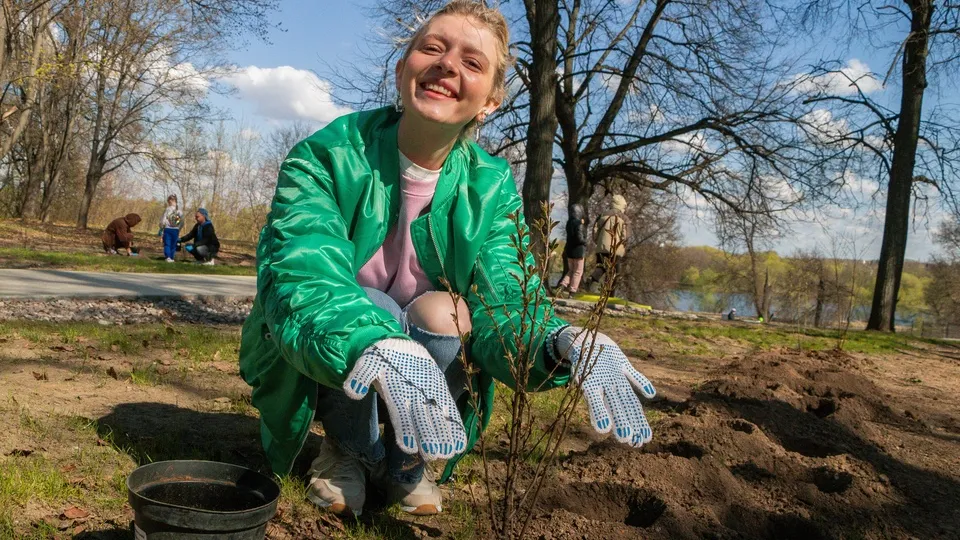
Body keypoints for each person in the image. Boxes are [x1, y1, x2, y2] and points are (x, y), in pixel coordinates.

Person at [238, 0, 657, 518]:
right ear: (402, 69)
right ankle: (345, 450)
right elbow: (302, 277)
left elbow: (504, 295)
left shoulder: (493, 186)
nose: (447, 65)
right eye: (432, 48)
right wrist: (377, 338)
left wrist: (557, 341)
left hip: (427, 346)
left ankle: (407, 461)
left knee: (448, 311)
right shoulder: (326, 156)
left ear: (491, 101)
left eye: (473, 62)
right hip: (331, 357)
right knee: (371, 304)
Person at [582, 194, 628, 293]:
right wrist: (623, 244)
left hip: (601, 247)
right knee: (614, 272)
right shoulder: (624, 218)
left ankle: (592, 279)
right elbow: (625, 235)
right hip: (616, 249)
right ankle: (608, 295)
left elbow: (595, 231)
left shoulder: (602, 215)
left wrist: (598, 242)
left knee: (602, 267)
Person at [555, 203, 587, 297]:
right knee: (578, 272)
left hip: (569, 250)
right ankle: (572, 292)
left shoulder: (569, 223)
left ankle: (562, 285)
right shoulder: (579, 224)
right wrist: (585, 242)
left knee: (571, 270)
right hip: (578, 251)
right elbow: (580, 239)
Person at [159, 195, 183, 262]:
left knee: (167, 243)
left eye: (169, 202)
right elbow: (182, 222)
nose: (169, 203)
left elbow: (163, 220)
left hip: (168, 229)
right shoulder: (179, 211)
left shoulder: (168, 209)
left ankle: (168, 257)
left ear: (172, 201)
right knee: (173, 244)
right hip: (176, 230)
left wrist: (161, 227)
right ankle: (171, 257)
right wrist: (179, 228)